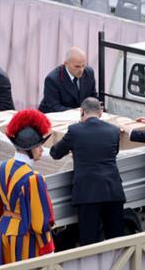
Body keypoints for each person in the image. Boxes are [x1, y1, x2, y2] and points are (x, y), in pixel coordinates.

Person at [49, 97, 125, 246]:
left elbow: (55, 153)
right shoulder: (114, 130)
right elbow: (113, 152)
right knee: (117, 241)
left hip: (88, 193)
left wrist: (75, 149)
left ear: (82, 111)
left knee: (89, 242)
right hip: (113, 191)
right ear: (100, 112)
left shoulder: (75, 130)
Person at [0, 109, 56, 265]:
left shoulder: (0, 169)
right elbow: (40, 222)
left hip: (4, 231)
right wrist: (48, 247)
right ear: (29, 149)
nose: (42, 150)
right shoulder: (33, 179)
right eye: (39, 146)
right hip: (24, 237)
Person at [38, 47, 98, 113]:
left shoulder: (89, 72)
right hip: (55, 116)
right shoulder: (52, 79)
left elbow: (93, 96)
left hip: (80, 114)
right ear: (66, 64)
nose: (81, 70)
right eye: (77, 66)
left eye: (83, 65)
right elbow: (54, 107)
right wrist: (77, 112)